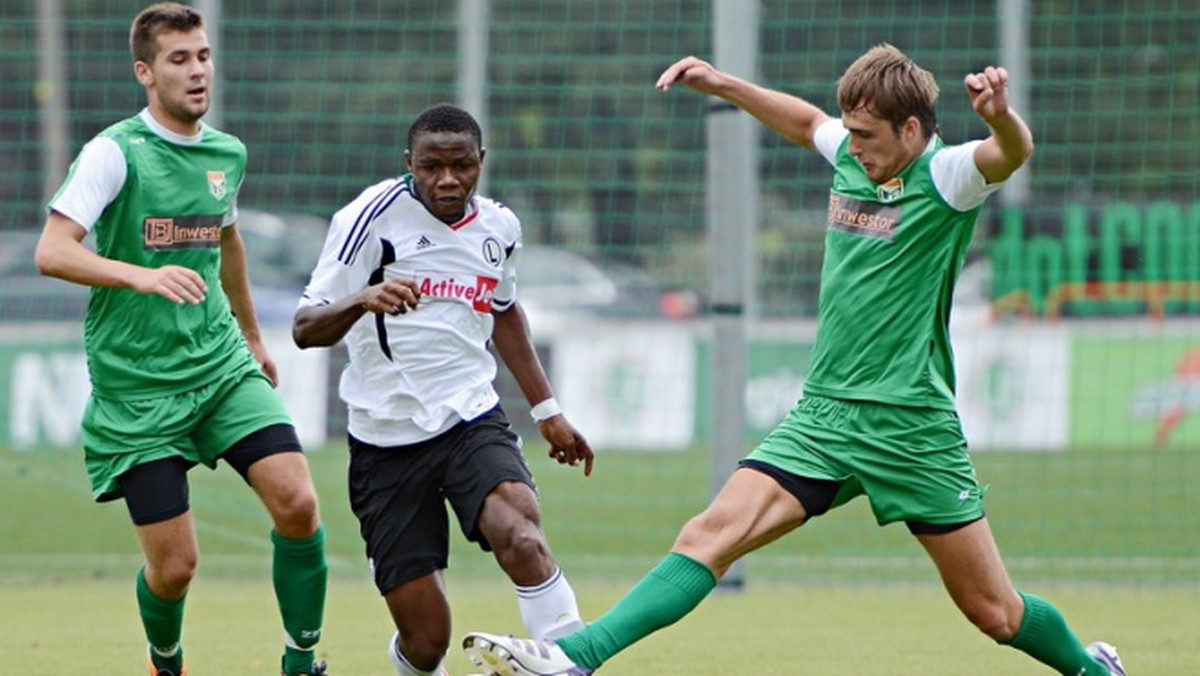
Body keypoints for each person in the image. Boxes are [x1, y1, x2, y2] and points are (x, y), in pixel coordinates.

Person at [461, 45, 1127, 676]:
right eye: (853, 132)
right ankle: (576, 657)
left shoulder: (948, 175)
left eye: (867, 135)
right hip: (825, 416)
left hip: (910, 427)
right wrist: (723, 84)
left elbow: (1012, 152)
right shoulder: (854, 153)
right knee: (708, 534)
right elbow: (808, 121)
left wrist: (1001, 117)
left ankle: (1090, 666)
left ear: (913, 128)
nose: (854, 145)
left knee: (996, 613)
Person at [34, 4, 329, 676]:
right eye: (178, 59)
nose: (197, 71)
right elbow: (52, 251)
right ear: (145, 73)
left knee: (299, 501)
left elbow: (227, 242)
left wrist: (252, 337)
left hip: (221, 368)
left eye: (203, 56)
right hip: (138, 389)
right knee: (175, 568)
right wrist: (140, 276)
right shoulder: (113, 153)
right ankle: (164, 658)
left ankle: (302, 659)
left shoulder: (227, 153)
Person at [292, 102, 595, 676]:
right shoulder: (371, 217)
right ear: (410, 163)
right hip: (384, 440)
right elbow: (305, 327)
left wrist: (547, 410)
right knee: (428, 640)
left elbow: (504, 314)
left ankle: (573, 664)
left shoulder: (500, 227)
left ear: (482, 161)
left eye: (462, 165)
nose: (447, 179)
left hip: (469, 417)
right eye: (432, 166)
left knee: (523, 535)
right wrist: (362, 298)